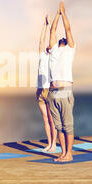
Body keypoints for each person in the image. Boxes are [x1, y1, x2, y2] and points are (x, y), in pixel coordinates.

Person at [47, 2, 76, 162]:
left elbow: (68, 30)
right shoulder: (54, 50)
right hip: (52, 91)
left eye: (64, 38)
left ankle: (69, 154)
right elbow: (52, 31)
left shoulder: (70, 49)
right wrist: (56, 15)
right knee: (58, 126)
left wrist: (64, 13)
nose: (63, 38)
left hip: (65, 89)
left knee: (67, 125)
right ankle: (63, 153)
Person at [36, 15, 57, 152]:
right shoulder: (42, 55)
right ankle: (49, 144)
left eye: (50, 45)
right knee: (45, 120)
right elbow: (41, 41)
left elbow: (50, 41)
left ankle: (54, 144)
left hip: (48, 89)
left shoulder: (54, 57)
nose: (48, 46)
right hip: (39, 89)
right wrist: (45, 26)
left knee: (51, 119)